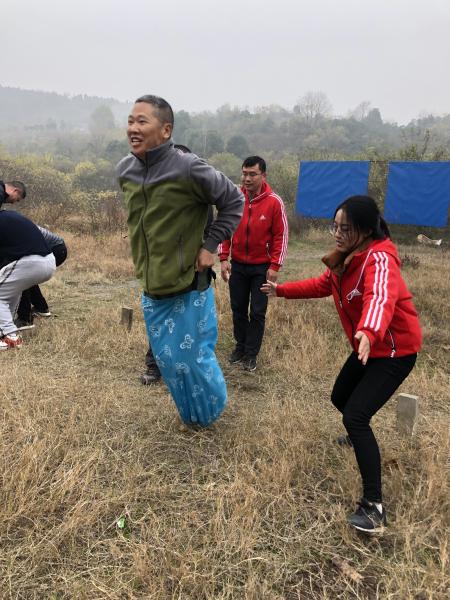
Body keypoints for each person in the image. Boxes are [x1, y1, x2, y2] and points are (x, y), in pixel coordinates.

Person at [262, 196, 422, 534]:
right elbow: (323, 284)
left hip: (393, 351)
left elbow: (380, 297)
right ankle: (358, 438)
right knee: (340, 397)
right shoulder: (347, 258)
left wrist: (369, 330)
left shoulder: (379, 258)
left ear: (365, 231)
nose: (337, 234)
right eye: (334, 226)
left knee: (356, 416)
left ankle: (374, 508)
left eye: (345, 229)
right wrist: (282, 291)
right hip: (368, 347)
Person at [116, 95, 244, 426]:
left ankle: (210, 411)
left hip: (188, 280)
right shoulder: (126, 170)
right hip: (152, 283)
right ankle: (192, 415)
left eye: (142, 121)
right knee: (167, 359)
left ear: (166, 129)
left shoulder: (188, 167)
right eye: (130, 121)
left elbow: (234, 200)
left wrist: (210, 246)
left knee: (191, 358)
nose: (133, 128)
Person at [139, 143, 215, 386]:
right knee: (159, 317)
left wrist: (207, 250)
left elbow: (210, 230)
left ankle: (187, 368)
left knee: (190, 321)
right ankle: (155, 365)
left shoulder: (201, 196)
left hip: (193, 272)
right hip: (162, 270)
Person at [219, 156, 288, 372]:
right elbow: (225, 227)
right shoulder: (234, 198)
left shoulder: (274, 201)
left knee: (257, 312)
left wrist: (275, 266)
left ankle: (251, 354)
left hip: (261, 268)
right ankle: (240, 347)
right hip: (238, 265)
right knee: (238, 308)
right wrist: (223, 258)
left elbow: (281, 236)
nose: (247, 178)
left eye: (252, 174)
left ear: (263, 176)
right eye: (244, 174)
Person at [0, 211, 56, 350]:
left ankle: (10, 337)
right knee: (10, 293)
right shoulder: (10, 216)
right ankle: (6, 331)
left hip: (30, 262)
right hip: (48, 261)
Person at [15, 226, 68, 330]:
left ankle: (25, 319)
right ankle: (41, 308)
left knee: (21, 276)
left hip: (54, 249)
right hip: (57, 247)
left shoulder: (7, 228)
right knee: (27, 276)